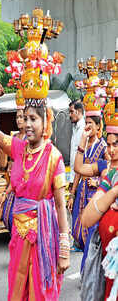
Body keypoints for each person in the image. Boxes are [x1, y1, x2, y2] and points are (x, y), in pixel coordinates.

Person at [0, 82, 70, 300]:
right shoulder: (18, 147)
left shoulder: (54, 157)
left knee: (39, 291)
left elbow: (60, 205)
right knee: (17, 289)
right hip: (18, 234)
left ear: (46, 121)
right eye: (26, 118)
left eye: (34, 119)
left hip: (44, 235)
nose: (28, 124)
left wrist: (64, 249)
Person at [81, 131, 118, 301]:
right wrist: (113, 193)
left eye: (115, 144)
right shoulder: (111, 176)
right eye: (109, 144)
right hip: (110, 267)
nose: (111, 150)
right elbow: (86, 219)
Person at [68, 117, 107, 271]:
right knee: (78, 229)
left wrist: (98, 182)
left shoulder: (103, 147)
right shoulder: (84, 145)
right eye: (86, 122)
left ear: (98, 127)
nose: (88, 126)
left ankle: (88, 269)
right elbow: (78, 170)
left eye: (91, 122)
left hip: (96, 194)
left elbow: (109, 171)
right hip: (83, 192)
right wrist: (72, 193)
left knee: (92, 233)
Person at [2, 108, 26, 231]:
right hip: (12, 177)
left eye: (21, 117)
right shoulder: (14, 136)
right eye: (17, 117)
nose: (19, 120)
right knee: (6, 213)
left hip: (24, 179)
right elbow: (7, 160)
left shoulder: (30, 138)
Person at [68, 100, 85, 250]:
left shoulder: (82, 129)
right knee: (73, 207)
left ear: (78, 112)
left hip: (80, 174)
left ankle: (79, 241)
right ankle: (77, 240)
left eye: (71, 112)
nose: (70, 115)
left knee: (78, 208)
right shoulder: (75, 128)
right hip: (74, 173)